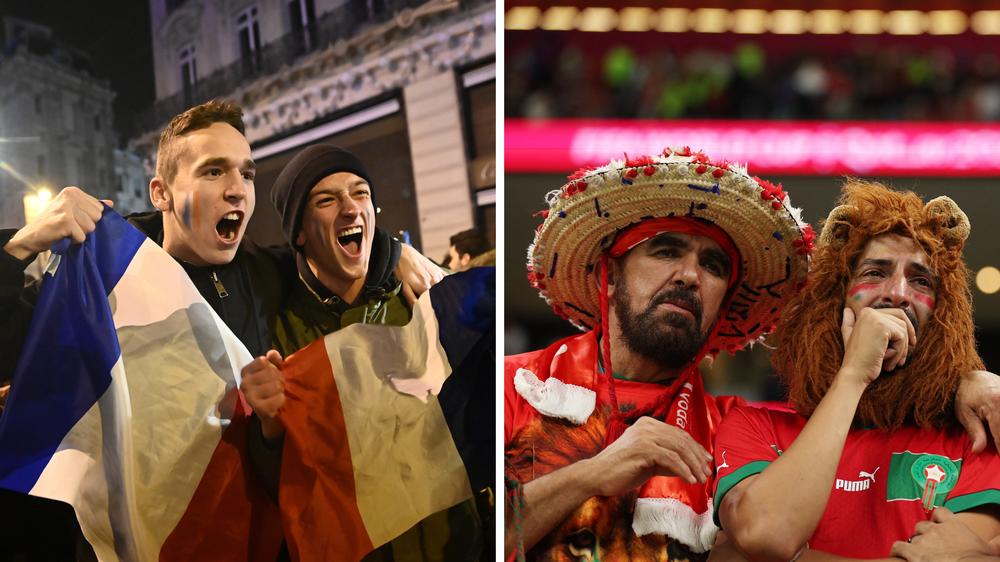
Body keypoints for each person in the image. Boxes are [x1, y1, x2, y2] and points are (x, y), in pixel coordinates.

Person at [0, 101, 441, 561]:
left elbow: (334, 253)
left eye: (246, 174)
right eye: (213, 172)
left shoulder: (268, 273)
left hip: (251, 539)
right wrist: (21, 244)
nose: (237, 191)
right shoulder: (106, 279)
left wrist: (393, 253)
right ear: (161, 192)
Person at [503, 148, 815, 560]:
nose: (690, 276)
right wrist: (591, 475)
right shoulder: (513, 386)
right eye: (666, 251)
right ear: (609, 275)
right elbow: (474, 537)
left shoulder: (738, 428)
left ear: (722, 306)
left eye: (714, 265)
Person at [712, 181, 1000, 561]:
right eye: (876, 272)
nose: (898, 292)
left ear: (941, 313)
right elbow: (768, 533)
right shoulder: (753, 425)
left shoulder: (976, 434)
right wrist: (853, 375)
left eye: (920, 280)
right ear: (835, 298)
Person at [239, 144, 485, 561]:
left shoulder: (424, 303)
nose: (351, 209)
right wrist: (269, 430)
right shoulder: (276, 336)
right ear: (299, 232)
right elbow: (274, 488)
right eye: (327, 199)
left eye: (360, 194)